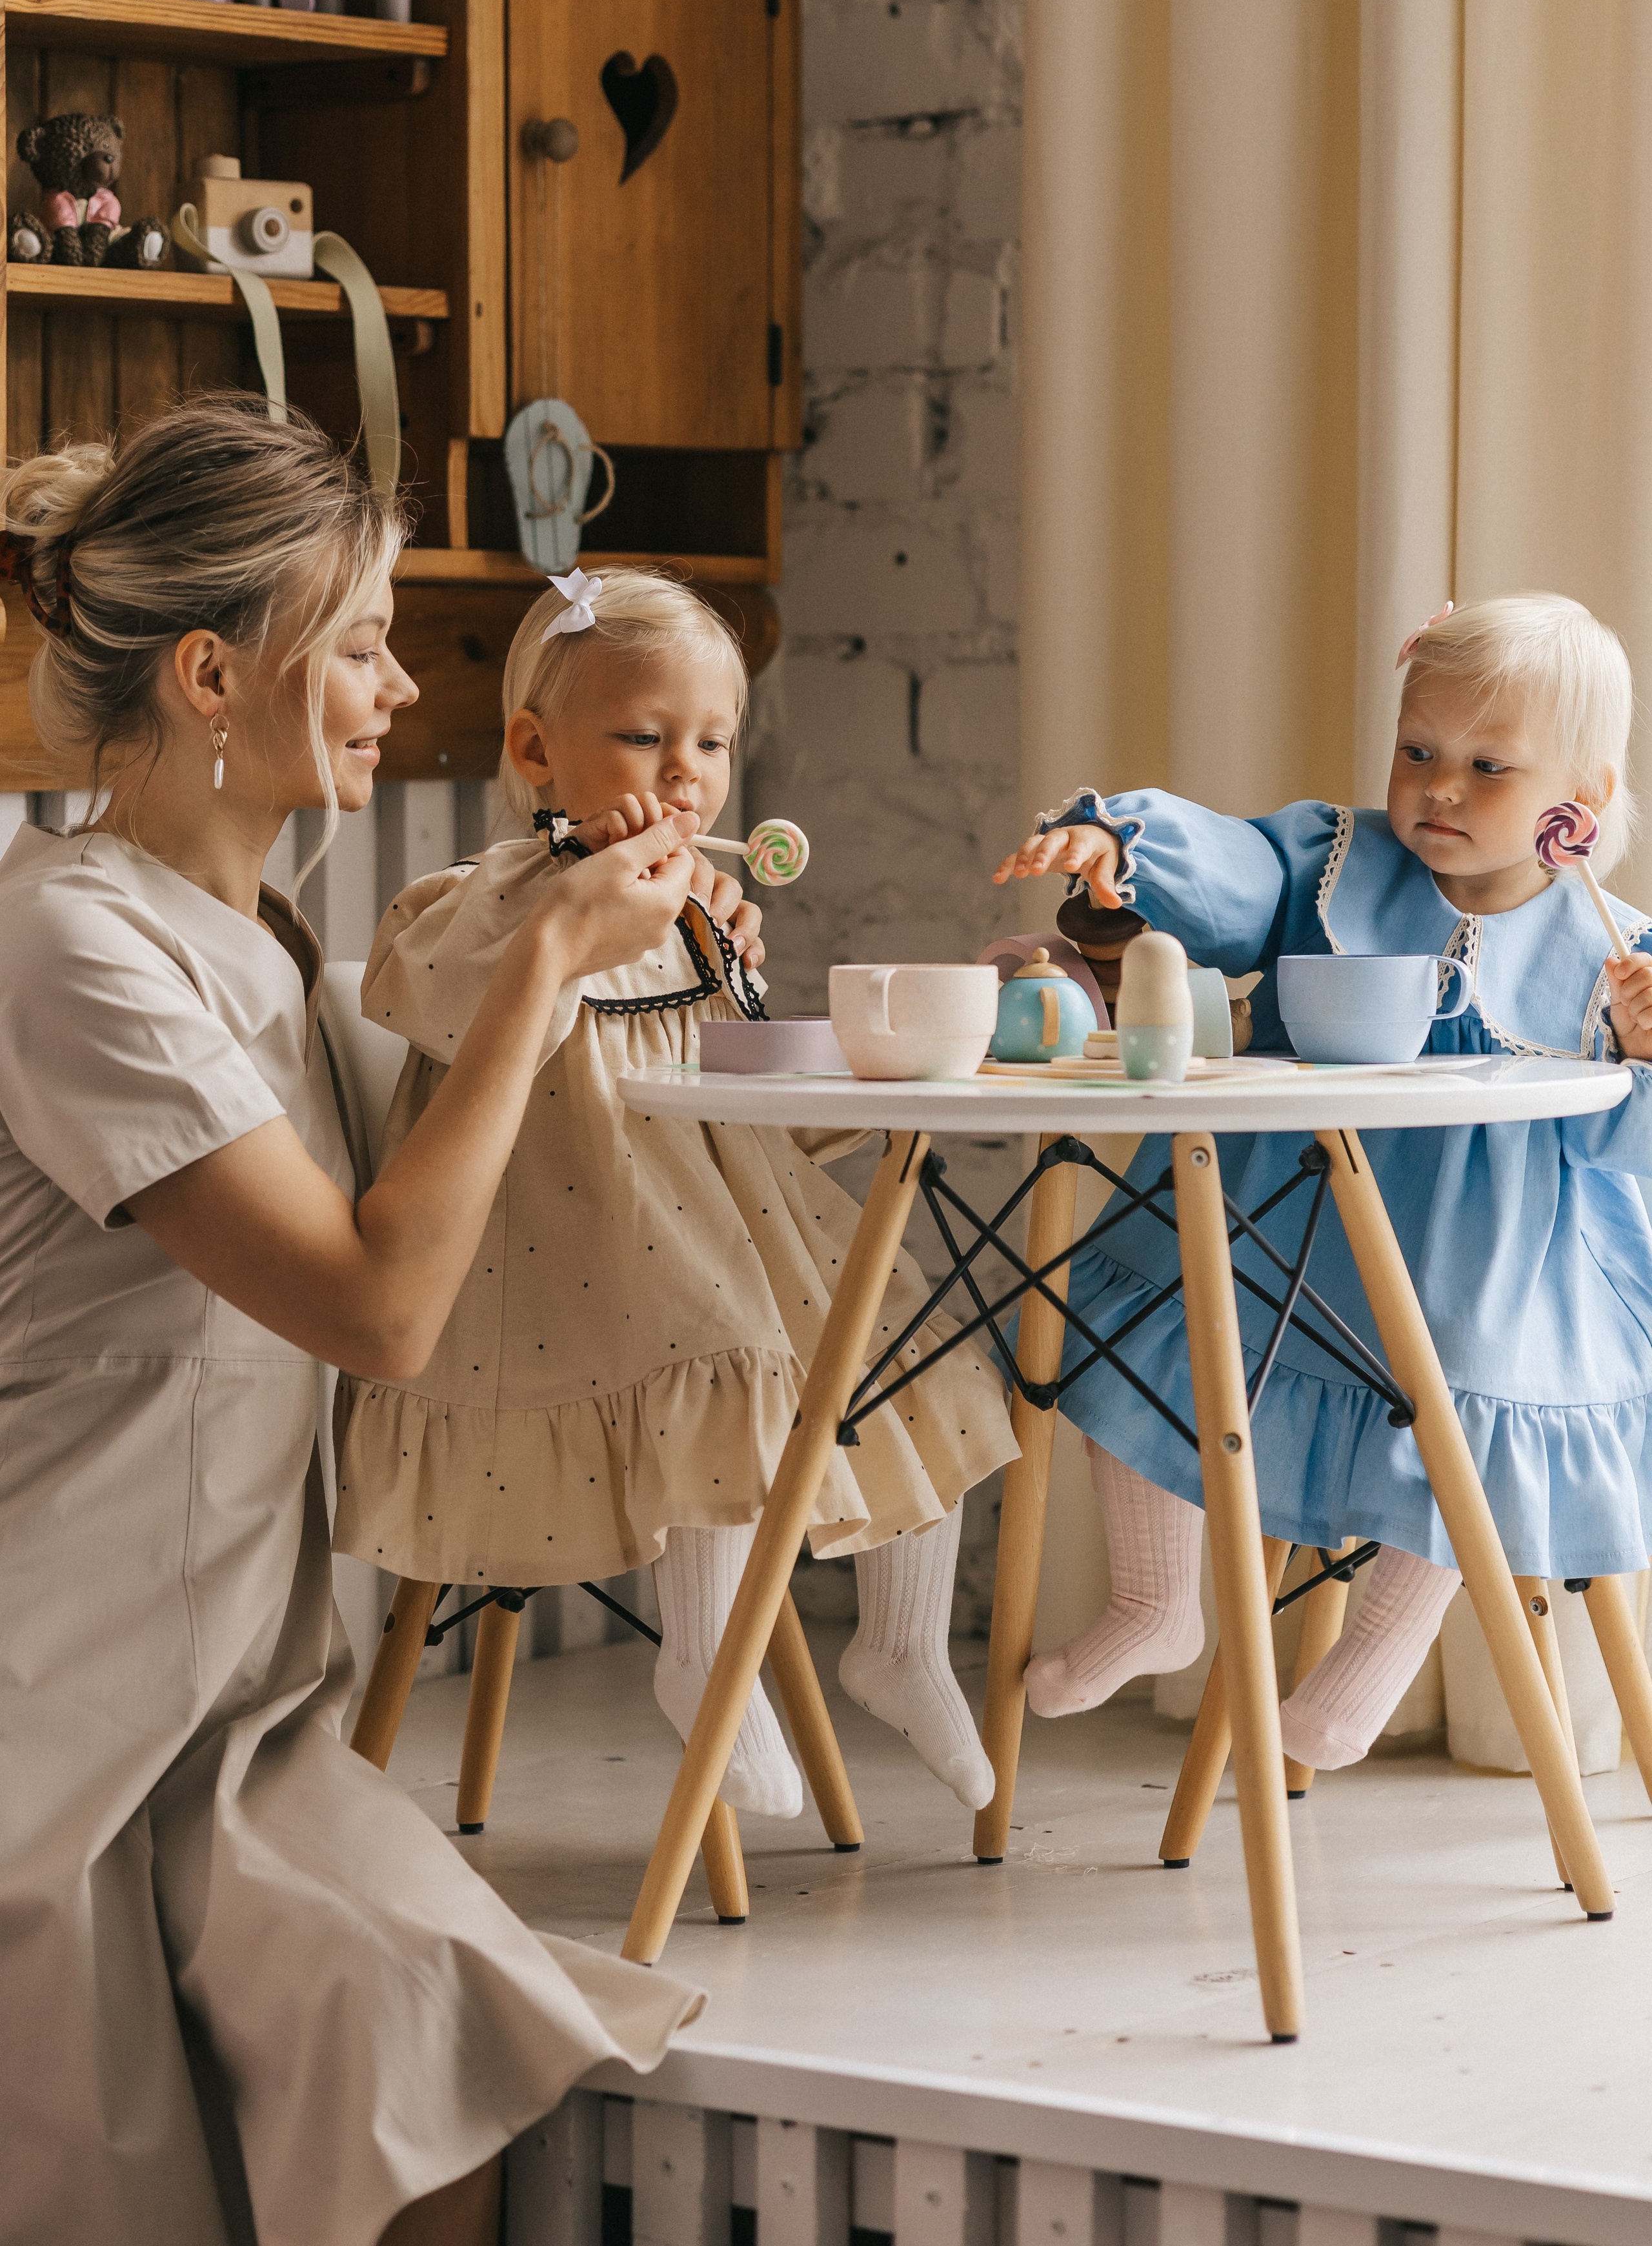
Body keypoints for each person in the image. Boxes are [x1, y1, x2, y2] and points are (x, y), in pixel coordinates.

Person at [0, 401, 707, 2246]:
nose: (404, 686)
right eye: (369, 641)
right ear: (219, 672)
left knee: (422, 2027)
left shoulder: (281, 952)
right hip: (58, 1699)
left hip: (231, 1710)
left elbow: (468, 1205)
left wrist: (594, 930)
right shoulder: (67, 944)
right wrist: (546, 964)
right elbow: (379, 1305)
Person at [334, 567, 1018, 1817]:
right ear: (537, 752)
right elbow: (423, 996)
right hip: (566, 1238)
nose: (684, 771)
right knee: (724, 1363)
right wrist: (563, 920)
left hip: (720, 1207)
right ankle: (702, 1657)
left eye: (709, 740)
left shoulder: (690, 909)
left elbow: (730, 1093)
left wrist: (732, 973)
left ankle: (901, 1643)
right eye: (644, 737)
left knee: (904, 1342)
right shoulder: (491, 898)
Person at [992, 593, 1652, 1771]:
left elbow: (1621, 1146)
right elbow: (1234, 872)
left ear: (1582, 805)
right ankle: (1155, 1600)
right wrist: (1128, 848)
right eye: (1418, 751)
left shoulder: (1615, 956)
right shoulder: (1334, 861)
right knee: (1136, 1316)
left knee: (1475, 1408)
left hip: (1494, 1257)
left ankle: (1380, 1653)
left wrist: (1644, 1051)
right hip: (1281, 1214)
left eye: (1486, 766)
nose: (1437, 788)